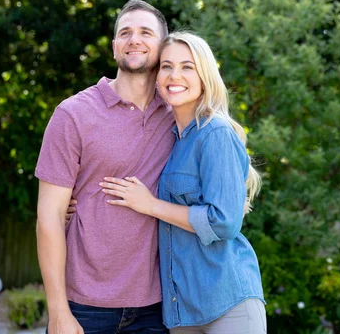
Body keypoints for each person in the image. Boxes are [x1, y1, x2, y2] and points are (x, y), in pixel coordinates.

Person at [99, 32, 267, 334]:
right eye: (166, 66)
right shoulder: (169, 139)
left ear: (204, 76)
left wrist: (151, 205)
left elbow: (224, 222)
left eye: (187, 67)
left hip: (227, 303)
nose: (175, 75)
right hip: (182, 312)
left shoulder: (214, 133)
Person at [35, 0, 175, 334]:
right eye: (125, 32)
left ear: (162, 46)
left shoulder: (177, 115)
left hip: (156, 307)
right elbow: (49, 216)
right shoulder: (73, 114)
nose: (134, 39)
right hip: (85, 306)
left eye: (145, 32)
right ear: (114, 47)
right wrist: (58, 312)